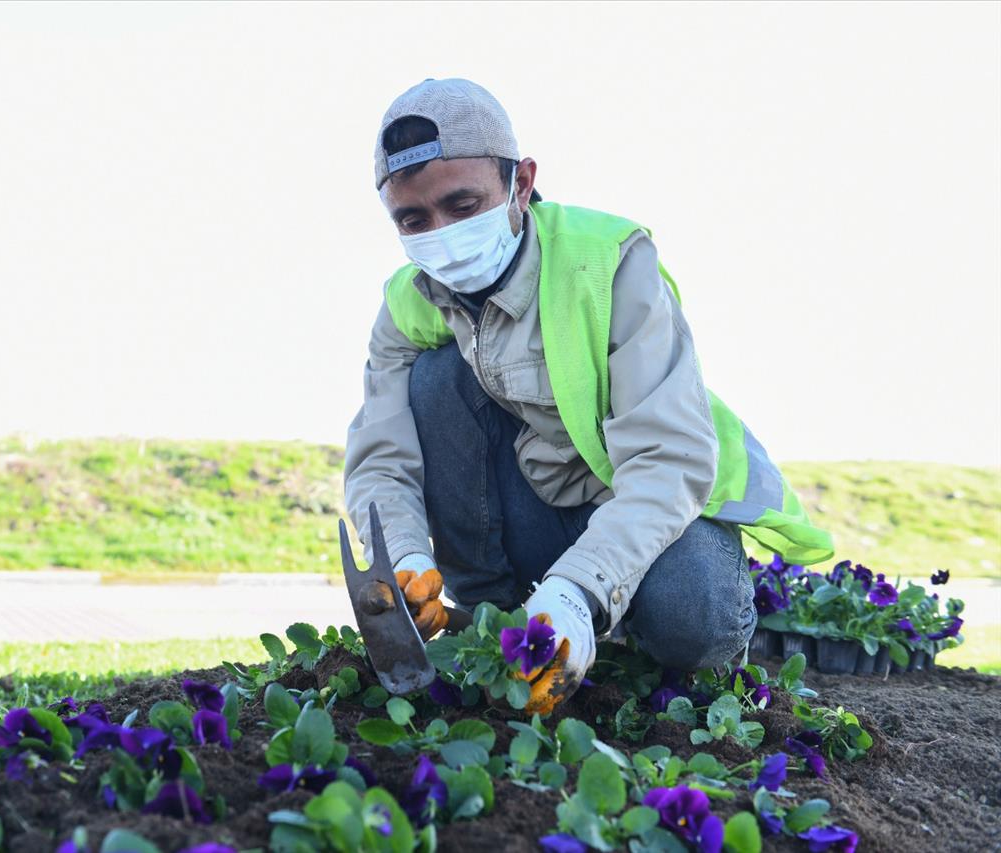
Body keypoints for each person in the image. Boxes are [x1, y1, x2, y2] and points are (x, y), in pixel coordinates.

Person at [344, 78, 832, 713]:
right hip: (543, 503)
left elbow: (667, 461)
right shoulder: (408, 302)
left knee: (691, 622)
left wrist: (578, 589)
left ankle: (594, 612)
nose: (441, 234)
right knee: (433, 380)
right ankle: (496, 625)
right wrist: (404, 554)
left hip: (660, 502)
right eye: (414, 219)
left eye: (463, 206)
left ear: (520, 183)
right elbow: (381, 454)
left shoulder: (609, 263)